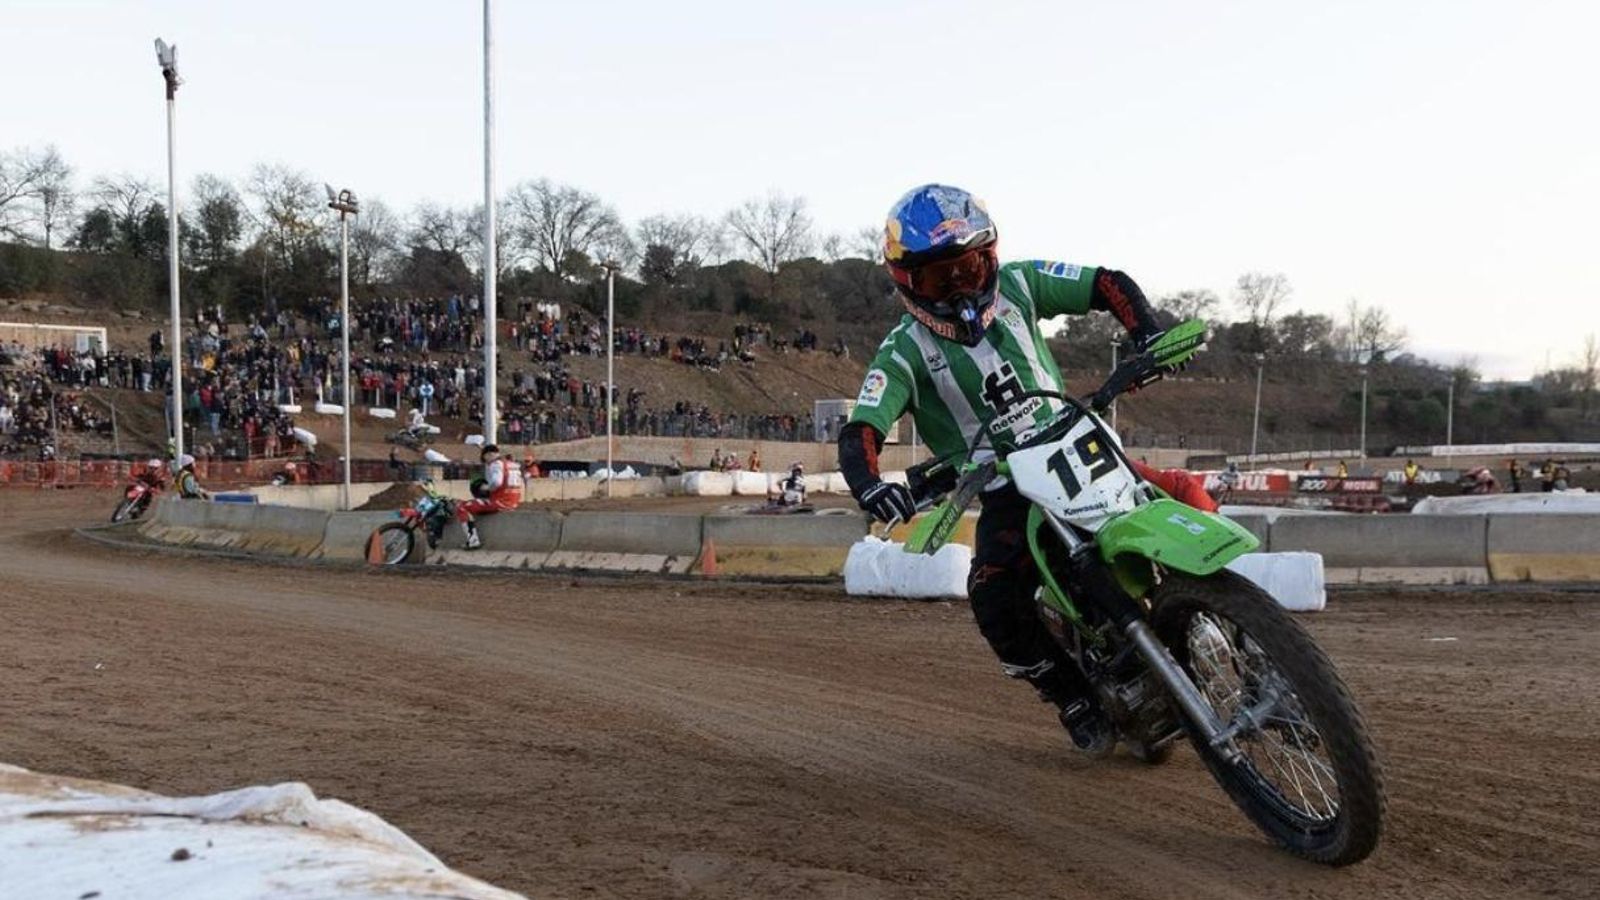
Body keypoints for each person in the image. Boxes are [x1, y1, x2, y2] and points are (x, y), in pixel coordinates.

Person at [837, 184, 1215, 754]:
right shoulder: (902, 352)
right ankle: (1072, 697)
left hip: (1079, 447)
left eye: (970, 267)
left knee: (1185, 489)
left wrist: (1147, 334)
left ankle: (1232, 616)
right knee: (992, 596)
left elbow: (1103, 282)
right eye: (943, 279)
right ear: (908, 284)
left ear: (991, 255)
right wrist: (870, 485)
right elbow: (861, 427)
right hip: (1006, 487)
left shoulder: (1019, 282)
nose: (962, 286)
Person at [456, 443, 523, 550]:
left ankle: (472, 540)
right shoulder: (512, 464)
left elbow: (496, 482)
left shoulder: (496, 464)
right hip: (513, 502)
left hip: (500, 502)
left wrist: (486, 488)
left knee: (462, 507)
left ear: (488, 455)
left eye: (485, 460)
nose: (487, 463)